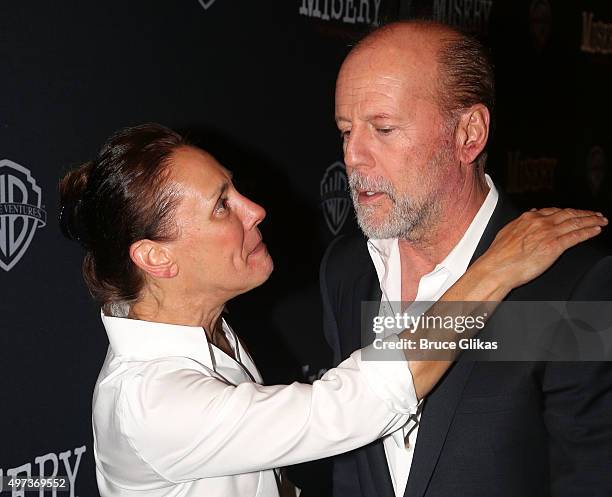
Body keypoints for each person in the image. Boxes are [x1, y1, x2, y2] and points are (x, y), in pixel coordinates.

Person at [59, 124, 605, 497]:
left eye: (383, 127)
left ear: (469, 133)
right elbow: (353, 405)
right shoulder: (150, 402)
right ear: (157, 258)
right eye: (221, 205)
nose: (255, 209)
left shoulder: (203, 328)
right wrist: (496, 268)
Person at [324, 19, 612, 497]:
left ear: (469, 134)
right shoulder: (346, 269)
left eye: (384, 128)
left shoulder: (572, 284)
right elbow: (352, 463)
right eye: (345, 130)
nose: (354, 155)